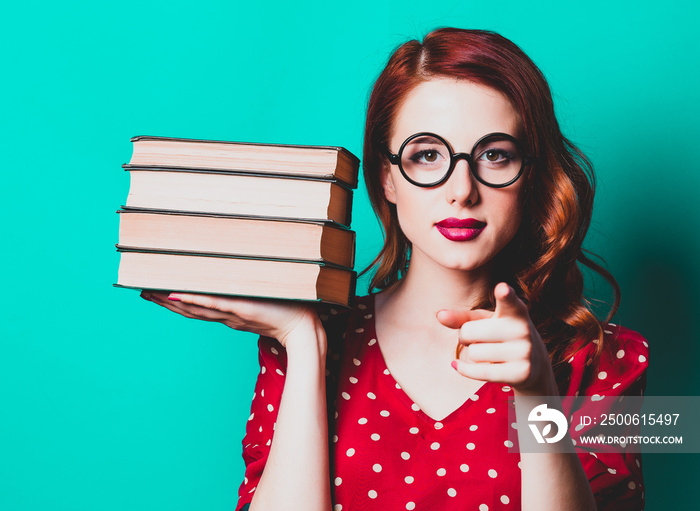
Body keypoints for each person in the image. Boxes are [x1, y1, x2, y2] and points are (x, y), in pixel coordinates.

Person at [141, 28, 648, 511]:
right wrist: (302, 338)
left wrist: (538, 395)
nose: (462, 190)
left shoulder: (617, 359)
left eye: (495, 155)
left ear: (531, 174)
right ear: (386, 178)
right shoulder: (304, 343)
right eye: (426, 155)